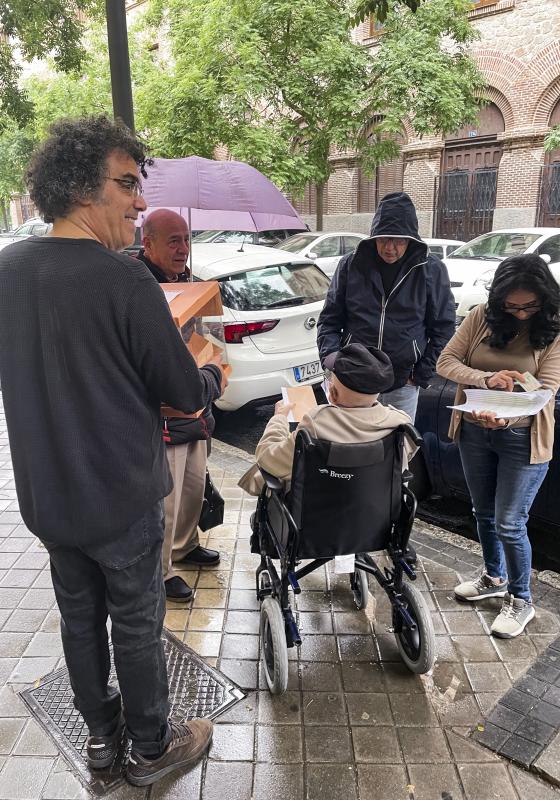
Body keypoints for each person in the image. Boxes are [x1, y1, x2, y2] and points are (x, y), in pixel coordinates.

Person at [0, 115, 227, 786]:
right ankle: (154, 746)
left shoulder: (6, 272)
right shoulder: (125, 282)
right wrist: (212, 369)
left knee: (77, 617)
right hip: (121, 497)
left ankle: (101, 743)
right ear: (77, 188)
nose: (137, 200)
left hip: (48, 496)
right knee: (134, 622)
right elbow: (185, 395)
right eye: (127, 183)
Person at [436, 254, 560, 638]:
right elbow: (446, 362)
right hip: (474, 430)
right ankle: (493, 578)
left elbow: (547, 389)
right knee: (483, 512)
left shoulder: (555, 330)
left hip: (522, 437)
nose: (521, 314)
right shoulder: (480, 318)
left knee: (510, 522)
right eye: (512, 306)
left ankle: (521, 600)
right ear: (499, 299)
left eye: (529, 306)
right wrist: (487, 381)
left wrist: (509, 412)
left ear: (544, 299)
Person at [138, 209, 221, 602]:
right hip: (162, 412)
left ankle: (186, 547)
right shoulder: (136, 286)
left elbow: (207, 336)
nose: (183, 249)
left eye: (187, 239)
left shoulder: (192, 282)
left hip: (197, 403)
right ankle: (162, 569)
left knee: (192, 488)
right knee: (166, 500)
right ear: (147, 242)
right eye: (173, 241)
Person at [317, 191, 455, 422]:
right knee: (350, 445)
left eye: (399, 240)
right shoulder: (351, 265)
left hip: (402, 383)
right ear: (373, 238)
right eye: (384, 239)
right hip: (353, 380)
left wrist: (420, 374)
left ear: (411, 240)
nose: (390, 248)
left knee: (397, 448)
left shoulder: (430, 269)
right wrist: (333, 359)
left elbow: (443, 327)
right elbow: (330, 319)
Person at [238, 343, 417, 496]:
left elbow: (268, 460)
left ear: (332, 393)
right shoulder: (401, 425)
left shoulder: (316, 423)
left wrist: (278, 420)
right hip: (375, 525)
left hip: (314, 523)